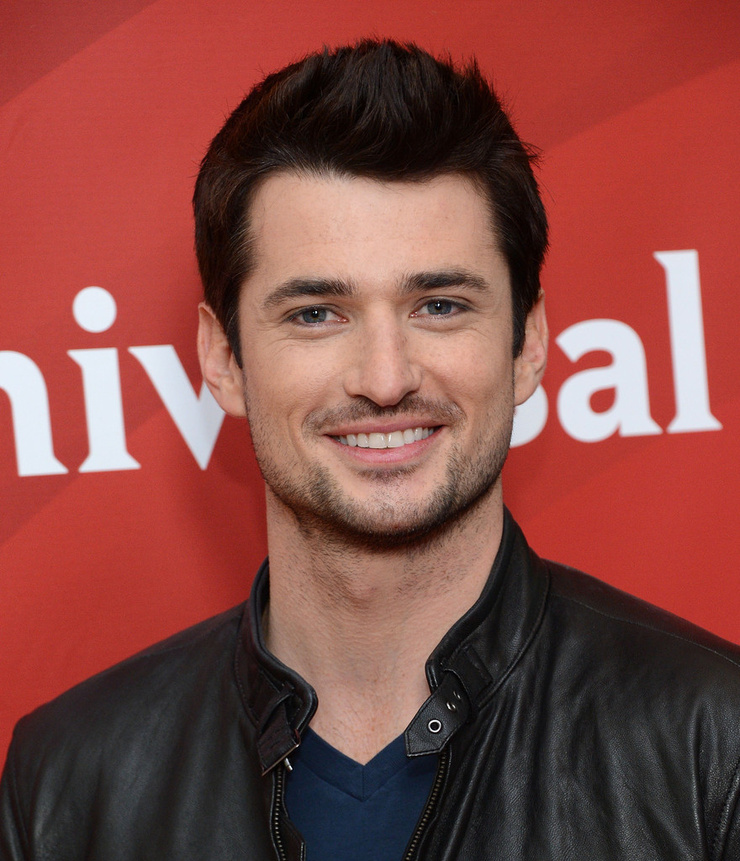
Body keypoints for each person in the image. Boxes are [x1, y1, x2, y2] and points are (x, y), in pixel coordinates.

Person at [2, 39, 740, 861]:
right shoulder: (69, 784)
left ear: (529, 341)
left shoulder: (716, 745)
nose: (386, 379)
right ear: (223, 358)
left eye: (440, 305)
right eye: (317, 314)